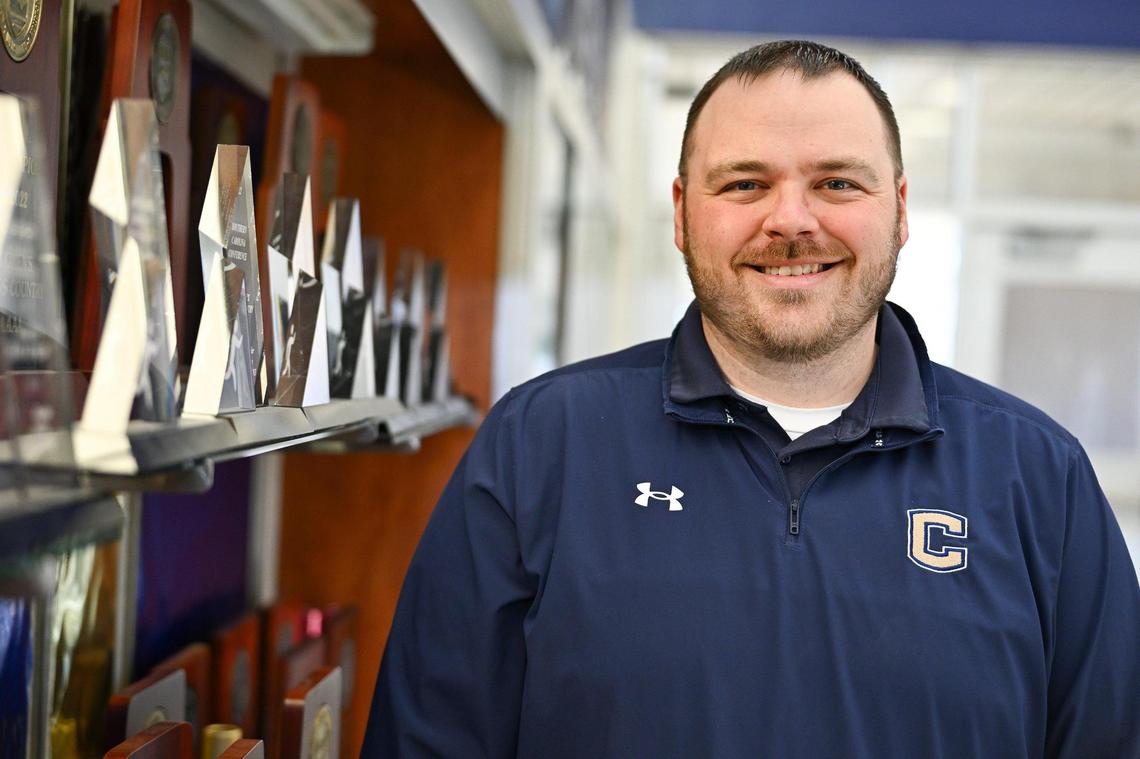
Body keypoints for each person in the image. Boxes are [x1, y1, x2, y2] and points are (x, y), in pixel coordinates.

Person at [361, 40, 1140, 758]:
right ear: (680, 213)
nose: (791, 220)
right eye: (745, 184)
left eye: (837, 182)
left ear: (900, 209)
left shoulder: (1041, 482)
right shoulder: (542, 447)